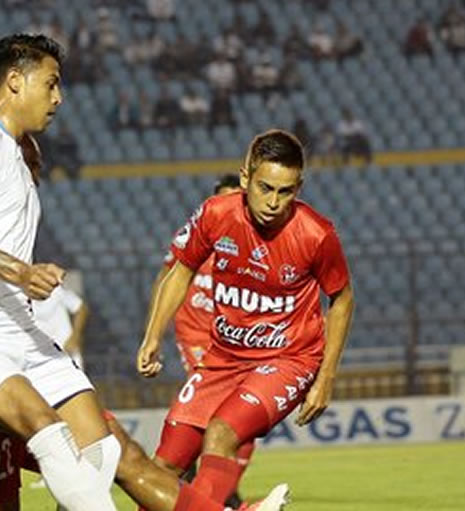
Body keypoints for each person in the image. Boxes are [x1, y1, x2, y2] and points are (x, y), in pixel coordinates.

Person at [0, 33, 288, 509]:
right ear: (15, 81)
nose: (58, 98)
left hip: (18, 331)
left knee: (109, 451)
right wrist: (21, 273)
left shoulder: (18, 153)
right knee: (48, 432)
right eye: (51, 84)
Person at [138, 129, 355, 511]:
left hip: (288, 360)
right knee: (165, 463)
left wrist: (325, 378)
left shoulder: (316, 234)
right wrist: (153, 335)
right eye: (265, 188)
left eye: (285, 192)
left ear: (299, 188)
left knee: (221, 434)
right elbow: (181, 270)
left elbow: (342, 299)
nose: (273, 202)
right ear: (245, 178)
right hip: (223, 358)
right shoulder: (215, 214)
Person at [147, 175, 254, 509]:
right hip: (195, 333)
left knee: (239, 416)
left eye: (237, 197)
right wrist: (154, 330)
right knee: (220, 409)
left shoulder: (253, 242)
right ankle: (211, 489)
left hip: (231, 339)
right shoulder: (198, 233)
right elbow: (168, 277)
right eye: (225, 198)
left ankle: (209, 482)